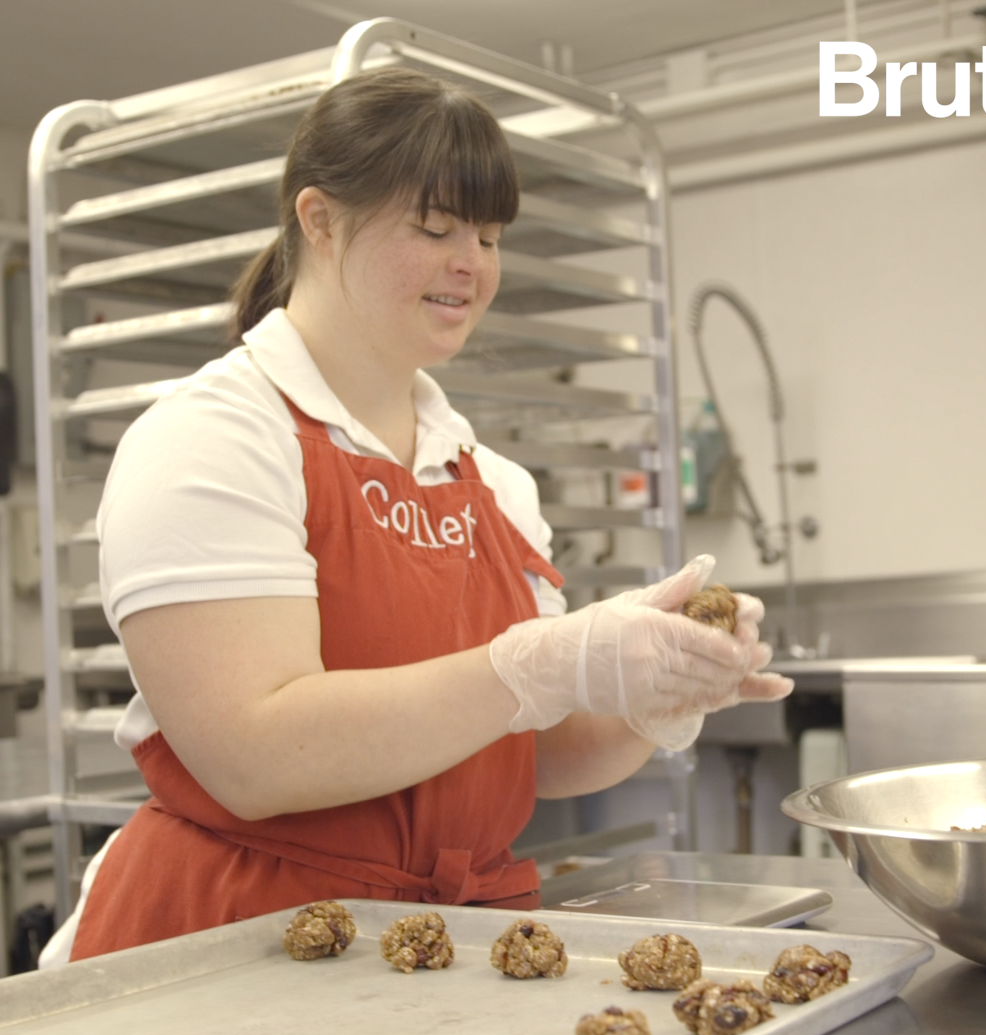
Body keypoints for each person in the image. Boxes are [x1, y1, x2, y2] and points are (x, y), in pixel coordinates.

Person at [42, 68, 792, 965]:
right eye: (435, 228)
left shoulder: (494, 484)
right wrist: (537, 662)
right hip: (236, 947)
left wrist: (657, 694)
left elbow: (540, 757)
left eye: (488, 234)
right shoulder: (214, 439)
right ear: (318, 220)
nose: (471, 263)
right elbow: (254, 756)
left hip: (445, 945)